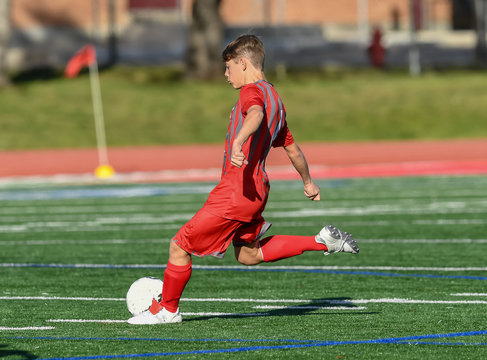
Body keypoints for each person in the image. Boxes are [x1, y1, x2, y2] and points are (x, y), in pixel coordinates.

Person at [128, 34, 359, 325]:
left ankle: (167, 310)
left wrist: (239, 140)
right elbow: (292, 149)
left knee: (179, 245)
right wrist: (308, 181)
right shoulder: (277, 99)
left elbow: (256, 114)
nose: (226, 75)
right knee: (249, 254)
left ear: (244, 63)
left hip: (236, 190)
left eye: (228, 68)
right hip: (257, 189)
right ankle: (322, 241)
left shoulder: (252, 92)